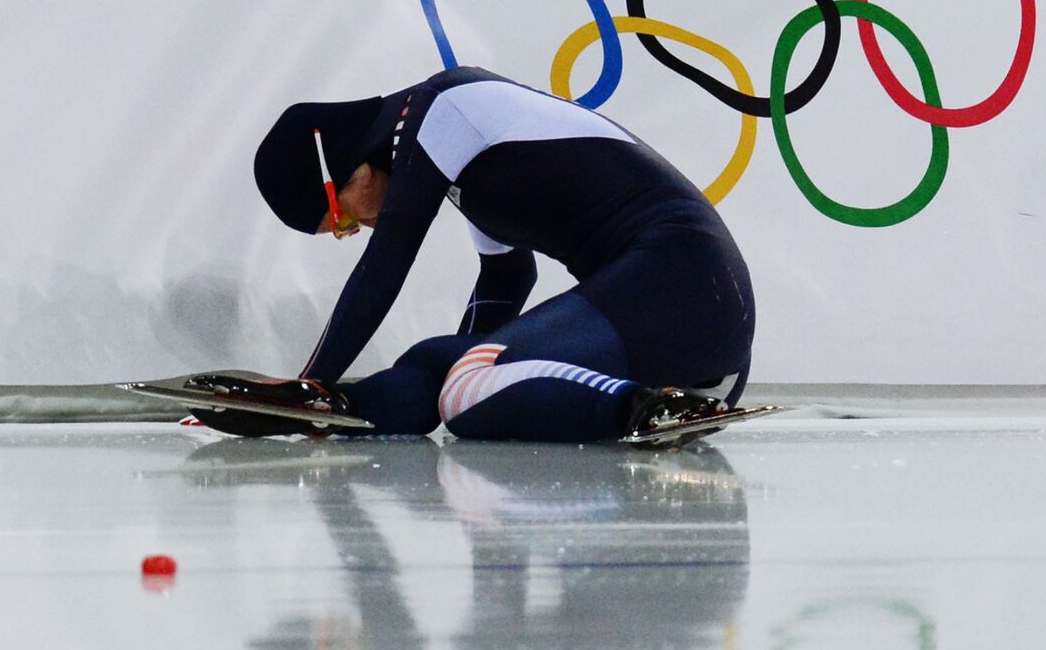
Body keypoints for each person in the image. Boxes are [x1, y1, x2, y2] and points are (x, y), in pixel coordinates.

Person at [245, 65, 755, 443]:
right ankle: (339, 407)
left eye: (340, 218)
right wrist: (326, 401)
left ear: (345, 169)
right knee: (441, 368)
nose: (351, 231)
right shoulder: (455, 157)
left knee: (468, 389)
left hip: (689, 285)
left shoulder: (443, 110)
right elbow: (507, 277)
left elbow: (384, 267)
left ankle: (646, 409)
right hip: (678, 324)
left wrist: (309, 380)